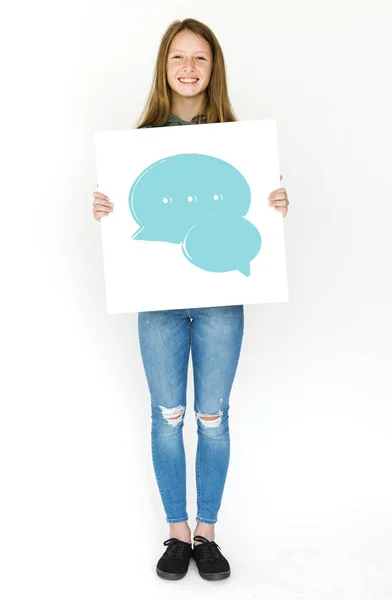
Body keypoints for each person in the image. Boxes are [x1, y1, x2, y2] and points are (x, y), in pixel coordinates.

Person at [92, 18, 289, 581]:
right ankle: (176, 533)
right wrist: (109, 212)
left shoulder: (239, 142)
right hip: (157, 300)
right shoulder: (137, 143)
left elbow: (250, 215)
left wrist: (272, 205)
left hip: (222, 299)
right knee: (166, 416)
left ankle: (207, 534)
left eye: (199, 58)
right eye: (178, 57)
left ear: (213, 68)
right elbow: (133, 216)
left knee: (213, 418)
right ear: (164, 66)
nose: (188, 68)